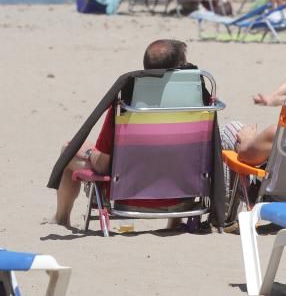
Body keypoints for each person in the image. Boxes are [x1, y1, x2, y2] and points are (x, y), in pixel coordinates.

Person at [52, 39, 192, 228]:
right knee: (170, 155)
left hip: (129, 195)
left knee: (68, 149)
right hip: (180, 197)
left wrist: (89, 153)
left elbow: (102, 165)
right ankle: (175, 220)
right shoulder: (197, 103)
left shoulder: (127, 102)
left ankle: (61, 218)